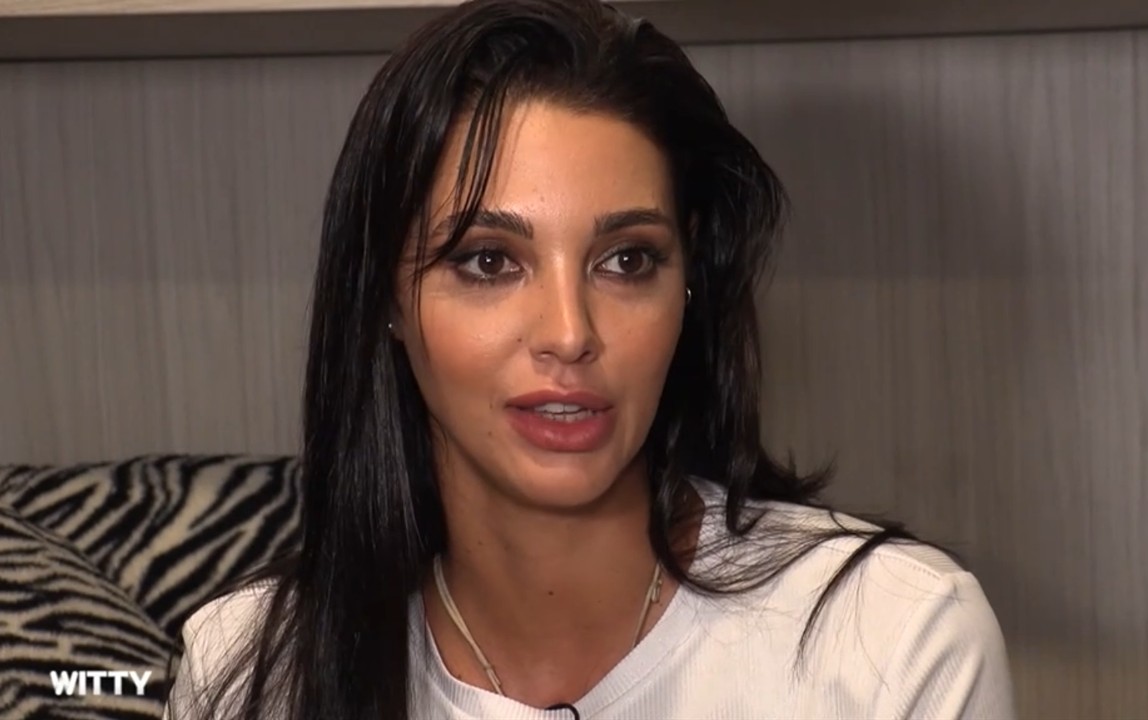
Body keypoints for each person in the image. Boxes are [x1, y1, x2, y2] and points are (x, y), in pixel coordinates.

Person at [163, 0, 1015, 717]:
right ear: (385, 296)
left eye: (627, 260)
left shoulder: (890, 641)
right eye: (488, 261)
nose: (570, 333)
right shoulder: (248, 671)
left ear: (690, 285)